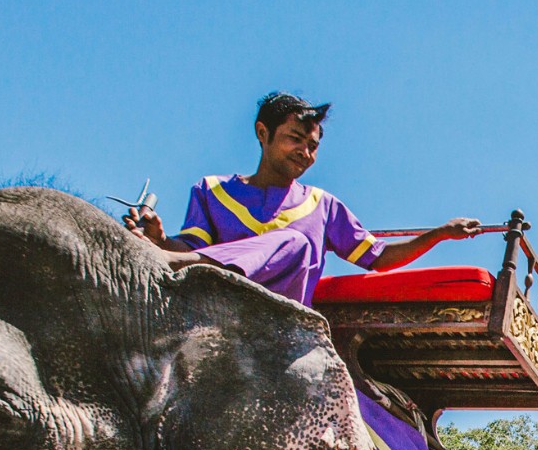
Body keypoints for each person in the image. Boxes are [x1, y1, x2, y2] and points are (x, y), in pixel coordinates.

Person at [124, 91, 483, 306]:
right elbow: (189, 246)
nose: (305, 152)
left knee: (295, 244)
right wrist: (159, 240)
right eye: (295, 139)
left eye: (313, 146)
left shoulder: (323, 206)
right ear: (262, 133)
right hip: (211, 303)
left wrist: (439, 233)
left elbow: (379, 258)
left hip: (280, 316)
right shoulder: (212, 190)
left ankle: (168, 265)